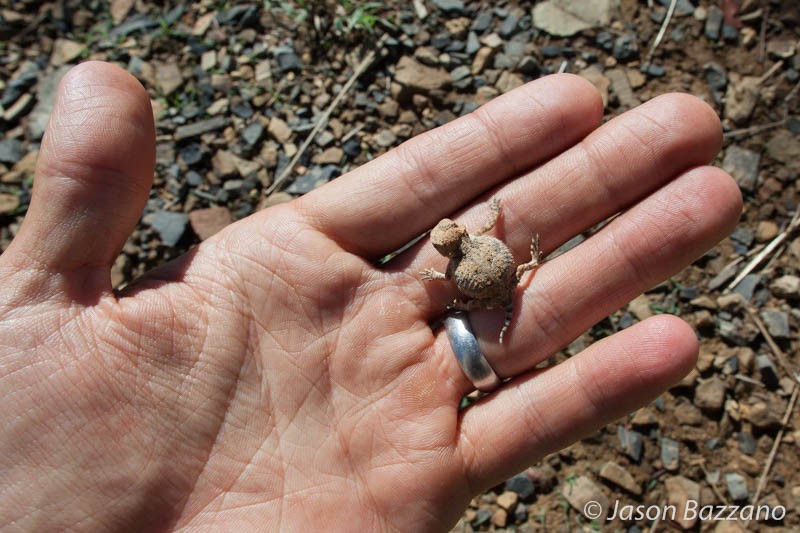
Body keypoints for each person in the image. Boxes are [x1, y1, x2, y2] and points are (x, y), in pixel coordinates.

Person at [0, 61, 741, 530]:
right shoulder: (457, 263)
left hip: (492, 280)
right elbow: (469, 262)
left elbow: (468, 261)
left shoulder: (459, 262)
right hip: (493, 284)